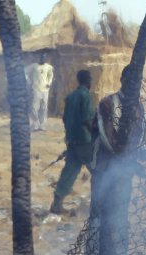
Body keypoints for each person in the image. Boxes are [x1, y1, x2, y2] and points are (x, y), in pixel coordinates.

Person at [88, 64, 146, 255]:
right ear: (124, 80)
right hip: (104, 171)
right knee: (99, 218)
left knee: (120, 218)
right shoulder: (108, 103)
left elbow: (140, 138)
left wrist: (137, 160)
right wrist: (130, 160)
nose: (136, 83)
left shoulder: (138, 107)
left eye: (139, 79)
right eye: (132, 79)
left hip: (123, 175)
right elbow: (110, 141)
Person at [50, 69, 94, 214]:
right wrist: (95, 134)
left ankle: (57, 203)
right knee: (98, 170)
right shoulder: (85, 96)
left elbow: (64, 119)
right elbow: (87, 120)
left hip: (72, 140)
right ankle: (101, 203)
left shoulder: (71, 96)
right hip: (84, 140)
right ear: (88, 81)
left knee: (70, 170)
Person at [27, 53, 54, 131]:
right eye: (41, 57)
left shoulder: (49, 67)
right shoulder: (34, 66)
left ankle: (42, 124)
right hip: (36, 89)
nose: (42, 58)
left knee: (44, 107)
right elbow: (25, 72)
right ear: (39, 57)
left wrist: (49, 83)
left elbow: (51, 76)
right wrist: (29, 82)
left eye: (44, 57)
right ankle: (35, 123)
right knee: (34, 107)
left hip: (45, 90)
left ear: (46, 58)